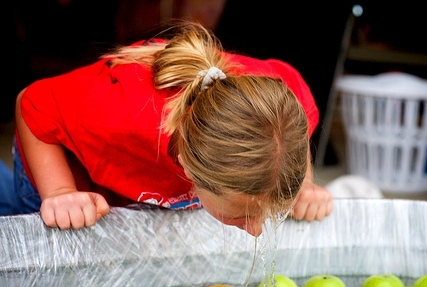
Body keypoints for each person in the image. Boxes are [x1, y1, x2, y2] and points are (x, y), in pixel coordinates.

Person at [2, 20, 332, 236]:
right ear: (188, 167)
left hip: (139, 173)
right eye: (241, 217)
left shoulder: (286, 104)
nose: (257, 231)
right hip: (69, 167)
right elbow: (30, 103)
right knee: (29, 233)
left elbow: (289, 139)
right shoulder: (115, 117)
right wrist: (60, 193)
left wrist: (302, 185)